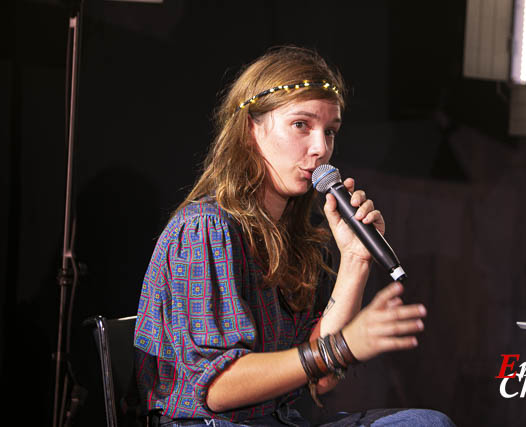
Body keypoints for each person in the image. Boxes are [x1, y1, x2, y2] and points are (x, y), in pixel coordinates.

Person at [134, 46, 455, 427]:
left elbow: (320, 380)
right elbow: (218, 389)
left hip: (278, 421)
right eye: (301, 124)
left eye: (330, 131)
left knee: (424, 423)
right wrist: (343, 347)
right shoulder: (207, 228)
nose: (321, 148)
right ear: (251, 129)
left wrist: (355, 261)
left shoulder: (292, 236)